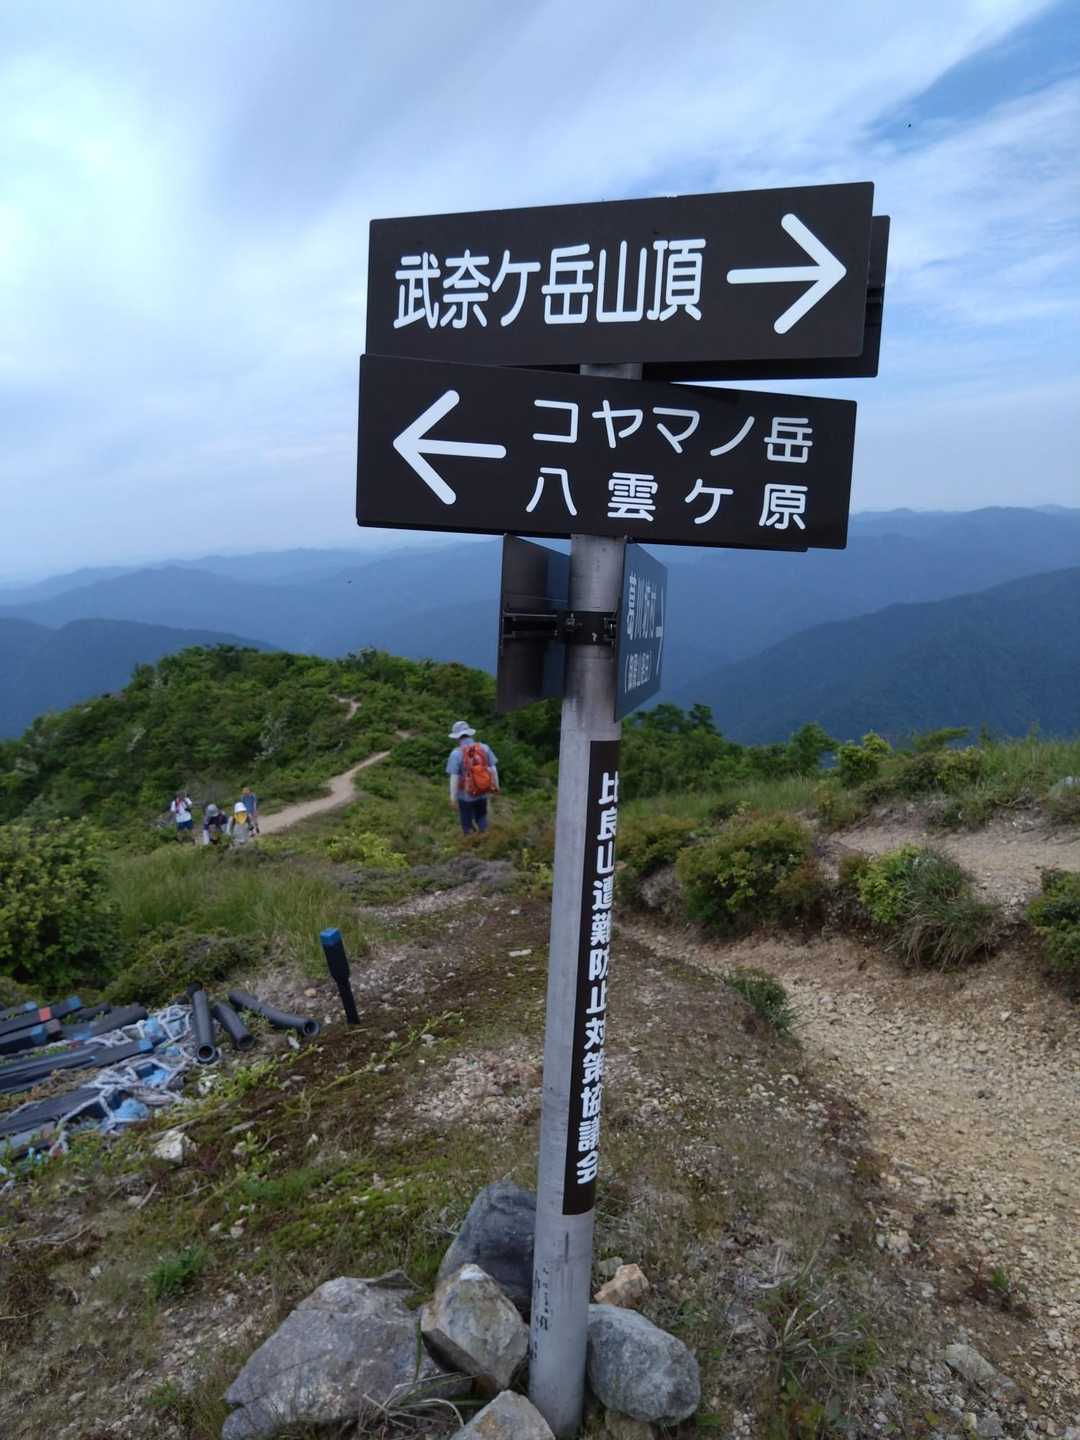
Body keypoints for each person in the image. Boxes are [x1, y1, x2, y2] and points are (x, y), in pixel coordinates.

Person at [446, 720, 499, 837]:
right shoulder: (484, 748)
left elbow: (454, 778)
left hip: (465, 796)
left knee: (467, 824)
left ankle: (471, 843)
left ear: (457, 737)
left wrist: (452, 798)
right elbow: (493, 770)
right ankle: (486, 840)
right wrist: (496, 788)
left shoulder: (456, 753)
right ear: (470, 734)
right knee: (482, 818)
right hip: (482, 792)